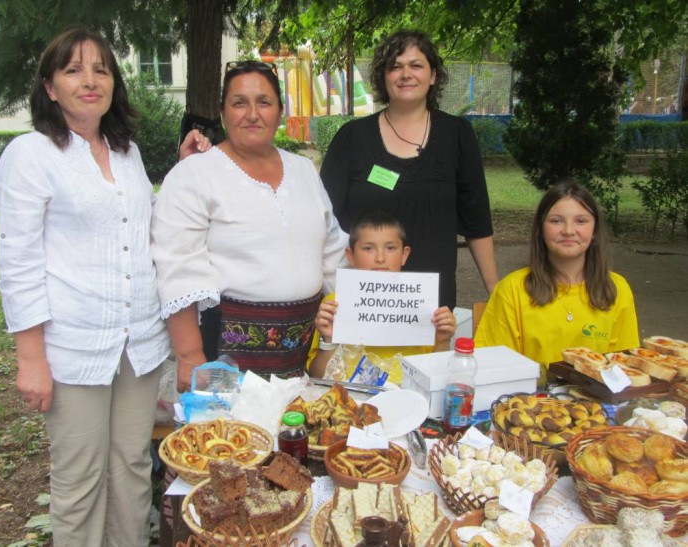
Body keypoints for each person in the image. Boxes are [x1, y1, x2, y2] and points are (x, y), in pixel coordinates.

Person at [0, 27, 170, 546]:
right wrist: (31, 359)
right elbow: (18, 261)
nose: (89, 81)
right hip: (73, 347)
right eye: (73, 70)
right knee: (80, 479)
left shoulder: (127, 152)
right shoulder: (32, 154)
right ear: (49, 87)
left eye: (101, 69)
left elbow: (133, 225)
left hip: (137, 343)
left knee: (133, 468)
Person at [151, 60, 348, 387]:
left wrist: (366, 310)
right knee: (231, 438)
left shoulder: (303, 170)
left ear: (280, 112)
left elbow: (332, 253)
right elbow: (177, 267)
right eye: (239, 103)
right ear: (224, 112)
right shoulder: (195, 175)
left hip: (300, 361)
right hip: (224, 360)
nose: (252, 113)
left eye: (264, 102)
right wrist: (189, 357)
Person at [320, 30, 498, 310]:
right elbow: (325, 223)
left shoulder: (458, 135)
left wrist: (495, 291)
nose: (406, 74)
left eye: (416, 65)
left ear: (433, 75)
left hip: (432, 305)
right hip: (363, 301)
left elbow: (477, 222)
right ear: (383, 77)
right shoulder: (352, 138)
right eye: (395, 66)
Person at [474, 181, 639, 381]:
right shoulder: (512, 289)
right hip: (527, 404)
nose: (569, 230)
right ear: (540, 229)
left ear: (595, 230)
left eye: (581, 221)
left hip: (598, 404)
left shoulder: (616, 288)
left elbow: (622, 369)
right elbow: (491, 367)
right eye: (556, 221)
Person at [308, 209, 457, 381]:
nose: (380, 258)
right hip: (349, 399)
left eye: (390, 248)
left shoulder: (424, 306)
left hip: (409, 399)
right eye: (368, 248)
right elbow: (317, 375)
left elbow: (438, 375)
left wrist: (443, 340)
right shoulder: (335, 304)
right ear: (351, 256)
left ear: (404, 254)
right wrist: (330, 339)